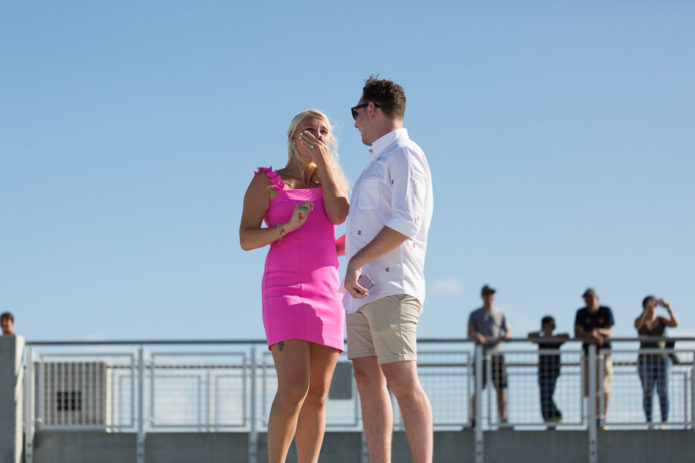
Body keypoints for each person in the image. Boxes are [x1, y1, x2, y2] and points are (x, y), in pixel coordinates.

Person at [239, 109, 349, 463]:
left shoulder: (332, 183)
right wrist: (285, 227)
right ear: (292, 138)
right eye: (308, 131)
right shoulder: (267, 181)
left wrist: (326, 163)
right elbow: (245, 237)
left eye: (323, 132)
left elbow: (337, 216)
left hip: (327, 294)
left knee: (318, 394)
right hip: (283, 291)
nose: (316, 135)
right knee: (294, 387)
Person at [343, 76, 434, 463]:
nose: (355, 121)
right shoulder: (375, 163)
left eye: (357, 112)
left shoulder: (405, 154)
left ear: (373, 110)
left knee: (401, 378)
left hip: (393, 286)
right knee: (366, 380)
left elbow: (407, 220)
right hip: (362, 292)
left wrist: (357, 261)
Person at [468, 284, 511, 426]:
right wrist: (477, 335)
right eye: (487, 294)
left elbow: (508, 331)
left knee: (500, 388)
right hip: (481, 356)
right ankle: (473, 419)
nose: (489, 296)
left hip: (497, 355)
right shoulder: (475, 314)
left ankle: (503, 419)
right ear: (482, 296)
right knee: (478, 388)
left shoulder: (500, 313)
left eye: (491, 294)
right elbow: (470, 333)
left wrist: (506, 336)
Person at [634, 296, 678, 428]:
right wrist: (646, 311)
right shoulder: (641, 320)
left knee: (663, 390)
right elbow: (637, 326)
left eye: (654, 304)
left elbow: (675, 323)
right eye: (650, 304)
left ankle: (664, 422)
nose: (653, 307)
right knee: (648, 391)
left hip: (662, 360)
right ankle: (650, 422)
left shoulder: (661, 320)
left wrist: (668, 308)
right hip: (645, 361)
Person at [574, 288, 614, 426]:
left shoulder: (606, 311)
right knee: (590, 387)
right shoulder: (581, 313)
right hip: (587, 354)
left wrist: (595, 331)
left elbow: (608, 332)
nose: (588, 302)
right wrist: (592, 335)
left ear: (597, 299)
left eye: (591, 299)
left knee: (604, 385)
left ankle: (602, 417)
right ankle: (592, 418)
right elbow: (577, 333)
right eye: (586, 299)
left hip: (604, 354)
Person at [528, 316, 569, 425]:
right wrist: (541, 332)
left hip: (553, 372)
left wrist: (553, 336)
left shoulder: (556, 340)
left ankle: (556, 415)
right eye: (545, 326)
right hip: (542, 371)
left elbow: (567, 336)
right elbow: (529, 336)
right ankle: (548, 420)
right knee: (543, 397)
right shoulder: (541, 339)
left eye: (549, 326)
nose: (547, 329)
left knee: (547, 396)